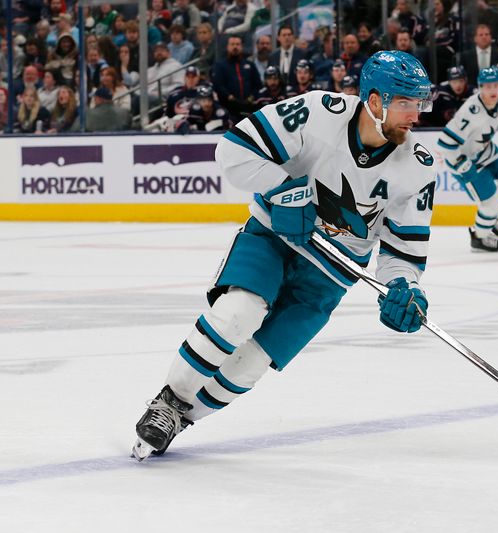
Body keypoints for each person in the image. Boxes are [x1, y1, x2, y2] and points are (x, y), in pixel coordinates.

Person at [130, 50, 436, 461]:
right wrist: (282, 188)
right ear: (375, 100)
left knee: (251, 364)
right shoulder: (317, 113)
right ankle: (169, 402)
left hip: (330, 276)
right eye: (406, 103)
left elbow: (403, 252)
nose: (416, 115)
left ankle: (183, 420)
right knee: (238, 312)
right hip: (274, 237)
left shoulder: (418, 168)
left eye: (420, 104)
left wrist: (405, 286)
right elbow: (234, 149)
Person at [436, 66, 498, 253]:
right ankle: (479, 236)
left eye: (495, 85)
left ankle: (490, 222)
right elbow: (445, 144)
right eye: (487, 86)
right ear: (480, 88)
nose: (493, 90)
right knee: (492, 202)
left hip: (485, 150)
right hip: (464, 159)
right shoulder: (469, 112)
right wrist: (461, 165)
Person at [213, 35, 262, 119]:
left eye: (237, 44)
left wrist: (251, 98)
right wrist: (230, 97)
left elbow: (257, 84)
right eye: (232, 44)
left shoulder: (250, 64)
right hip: (228, 108)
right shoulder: (220, 65)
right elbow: (218, 85)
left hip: (248, 107)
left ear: (242, 46)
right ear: (227, 47)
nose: (235, 47)